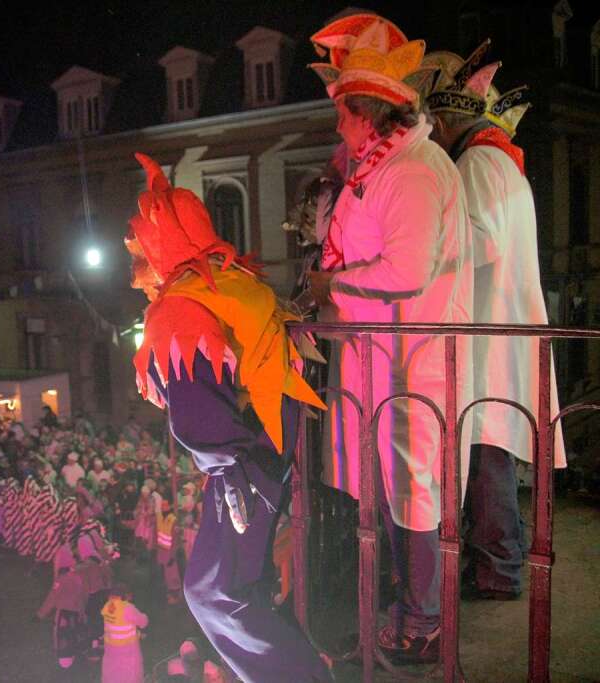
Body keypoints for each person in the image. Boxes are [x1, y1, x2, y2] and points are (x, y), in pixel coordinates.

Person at [306, 13, 475, 664]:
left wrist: (334, 290)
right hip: (386, 360)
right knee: (398, 490)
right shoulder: (381, 166)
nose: (339, 125)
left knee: (412, 493)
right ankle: (407, 607)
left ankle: (425, 620)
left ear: (369, 112)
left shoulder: (411, 170)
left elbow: (407, 269)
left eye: (345, 113)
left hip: (412, 364)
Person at [126, 153, 330, 682]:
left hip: (242, 461)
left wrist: (222, 467)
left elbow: (195, 408)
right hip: (267, 444)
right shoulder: (224, 280)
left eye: (141, 249)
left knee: (215, 594)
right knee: (244, 584)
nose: (135, 269)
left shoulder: (180, 303)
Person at [421, 45, 566, 601]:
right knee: (490, 454)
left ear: (450, 118)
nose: (432, 135)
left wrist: (426, 254)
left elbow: (476, 240)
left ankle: (498, 572)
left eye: (435, 124)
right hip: (500, 331)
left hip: (489, 337)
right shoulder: (497, 159)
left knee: (484, 455)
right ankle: (499, 564)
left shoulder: (479, 162)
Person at [36, 549, 87, 670]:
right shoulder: (79, 577)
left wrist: (40, 614)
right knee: (72, 634)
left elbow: (52, 598)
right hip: (75, 613)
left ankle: (64, 661)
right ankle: (72, 657)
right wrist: (81, 612)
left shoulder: (61, 579)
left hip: (63, 614)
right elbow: (83, 596)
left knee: (61, 636)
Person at [100, 585, 148, 683]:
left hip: (110, 648)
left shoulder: (108, 606)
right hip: (127, 648)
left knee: (113, 672)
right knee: (131, 673)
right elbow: (143, 622)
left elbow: (118, 625)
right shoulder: (127, 608)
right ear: (125, 595)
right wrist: (145, 616)